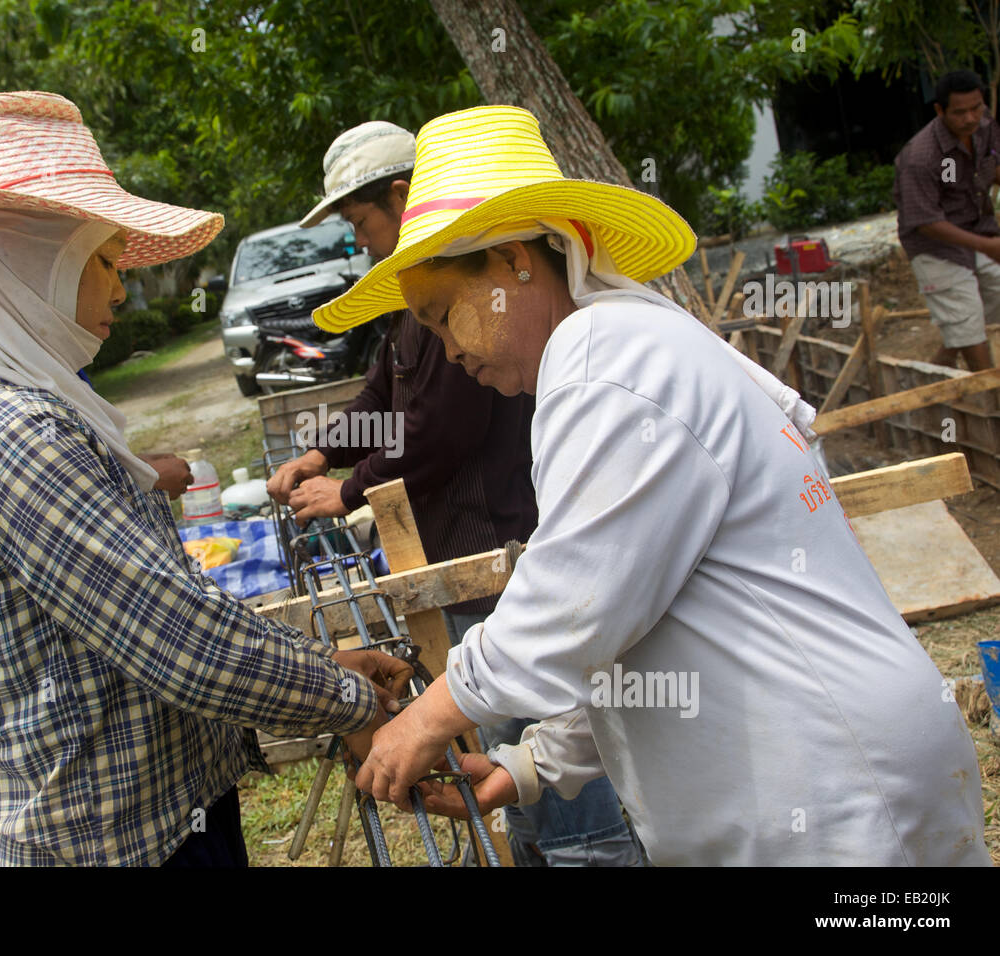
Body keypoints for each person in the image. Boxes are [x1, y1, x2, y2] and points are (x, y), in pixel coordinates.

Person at [321, 104, 990, 865]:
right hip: (821, 785)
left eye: (444, 318)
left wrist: (432, 712)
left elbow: (571, 602)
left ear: (514, 262)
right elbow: (633, 626)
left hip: (837, 797)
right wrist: (530, 764)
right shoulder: (626, 348)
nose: (450, 351)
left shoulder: (603, 356)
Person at [0, 91, 411, 867]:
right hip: (121, 840)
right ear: (22, 260)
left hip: (154, 810)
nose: (121, 289)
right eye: (100, 260)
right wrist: (347, 698)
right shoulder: (16, 435)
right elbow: (181, 642)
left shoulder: (13, 401)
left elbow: (153, 604)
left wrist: (324, 668)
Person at [270, 121, 641, 866]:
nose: (449, 347)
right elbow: (386, 396)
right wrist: (322, 450)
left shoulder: (615, 388)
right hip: (482, 574)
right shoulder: (431, 304)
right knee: (525, 741)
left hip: (492, 539)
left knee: (559, 765)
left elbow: (439, 429)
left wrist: (349, 490)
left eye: (361, 222)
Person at [895, 69, 1000, 371]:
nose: (970, 118)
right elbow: (925, 220)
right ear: (940, 111)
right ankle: (990, 402)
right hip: (934, 247)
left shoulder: (985, 127)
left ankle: (934, 371)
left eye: (976, 108)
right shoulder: (920, 156)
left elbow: (992, 168)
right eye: (960, 112)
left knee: (968, 322)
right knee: (967, 324)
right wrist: (989, 247)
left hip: (977, 232)